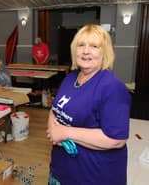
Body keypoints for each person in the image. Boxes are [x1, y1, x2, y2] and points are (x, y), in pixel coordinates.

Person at [46, 24, 131, 185]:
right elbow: (55, 109)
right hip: (61, 170)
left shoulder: (112, 87)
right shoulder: (70, 78)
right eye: (81, 45)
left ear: (104, 52)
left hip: (92, 177)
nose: (86, 51)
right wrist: (53, 129)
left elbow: (116, 139)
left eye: (94, 46)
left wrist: (65, 132)